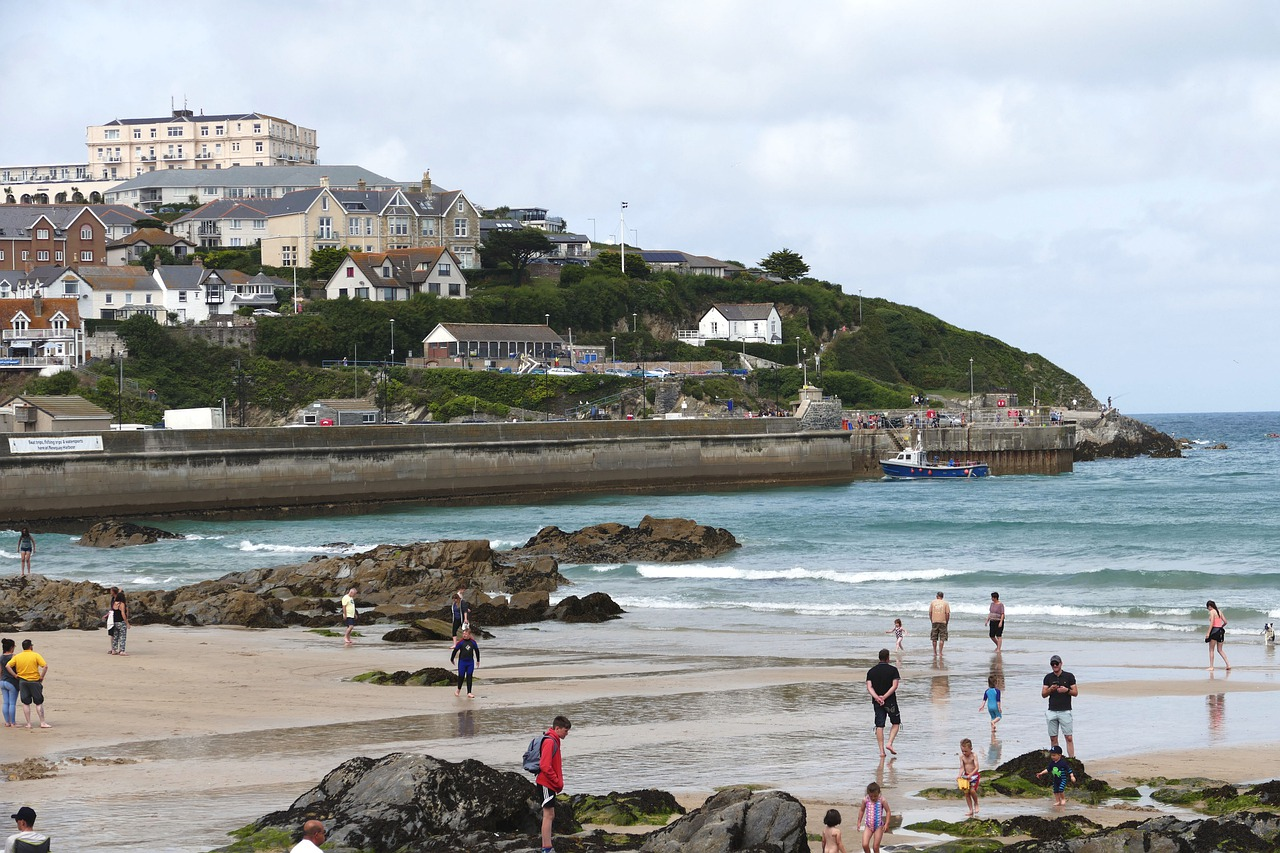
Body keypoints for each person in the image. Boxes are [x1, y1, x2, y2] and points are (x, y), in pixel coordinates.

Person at [535, 715, 572, 853]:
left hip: (549, 783)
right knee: (548, 815)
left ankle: (547, 846)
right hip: (546, 783)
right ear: (557, 728)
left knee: (550, 814)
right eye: (565, 730)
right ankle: (546, 848)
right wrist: (556, 781)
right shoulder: (550, 741)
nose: (567, 733)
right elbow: (545, 765)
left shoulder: (554, 740)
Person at [6, 640, 50, 729]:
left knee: (26, 702)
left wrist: (15, 675)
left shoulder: (18, 656)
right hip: (34, 680)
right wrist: (42, 676)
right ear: (30, 646)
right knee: (38, 702)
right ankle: (42, 722)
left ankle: (28, 724)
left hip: (22, 681)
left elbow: (8, 666)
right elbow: (45, 666)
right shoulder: (35, 655)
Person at [865, 649, 901, 758]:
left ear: (879, 658)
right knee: (896, 723)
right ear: (888, 658)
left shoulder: (871, 671)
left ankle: (881, 751)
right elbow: (894, 686)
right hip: (890, 701)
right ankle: (889, 743)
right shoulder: (893, 670)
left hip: (877, 702)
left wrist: (877, 697)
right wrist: (884, 697)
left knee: (879, 725)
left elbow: (869, 687)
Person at [1042, 654, 1076, 757]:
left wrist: (1066, 690)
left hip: (1065, 710)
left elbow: (1075, 692)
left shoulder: (1069, 676)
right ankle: (1056, 759)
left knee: (1068, 737)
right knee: (1053, 737)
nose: (1055, 665)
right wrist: (1050, 689)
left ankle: (1072, 758)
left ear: (1061, 664)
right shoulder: (1048, 677)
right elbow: (1043, 694)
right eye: (1053, 664)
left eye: (1057, 663)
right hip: (1052, 710)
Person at [856, 781, 891, 853]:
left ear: (879, 793)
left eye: (875, 796)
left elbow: (888, 811)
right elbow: (862, 810)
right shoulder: (866, 800)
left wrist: (887, 824)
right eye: (871, 796)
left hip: (878, 826)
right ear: (868, 794)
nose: (873, 798)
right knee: (865, 844)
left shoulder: (882, 800)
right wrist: (859, 821)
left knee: (875, 847)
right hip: (868, 825)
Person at [450, 626, 480, 698]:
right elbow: (455, 651)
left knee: (469, 676)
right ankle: (458, 690)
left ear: (469, 635)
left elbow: (477, 651)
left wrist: (478, 660)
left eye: (465, 634)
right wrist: (452, 659)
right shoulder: (461, 642)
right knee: (461, 676)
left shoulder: (473, 642)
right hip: (462, 662)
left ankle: (469, 692)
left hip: (470, 662)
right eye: (463, 634)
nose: (464, 635)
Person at [1205, 600, 1231, 672]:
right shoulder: (1219, 611)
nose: (1208, 609)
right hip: (1220, 631)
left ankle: (1211, 666)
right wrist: (1221, 626)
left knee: (1211, 650)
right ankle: (1228, 664)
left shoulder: (1212, 612)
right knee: (1220, 650)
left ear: (1210, 606)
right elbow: (1225, 622)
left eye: (1208, 607)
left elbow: (1212, 623)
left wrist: (1208, 633)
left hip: (1214, 631)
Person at [959, 738, 980, 817]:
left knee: (972, 790)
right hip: (966, 776)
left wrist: (970, 775)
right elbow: (962, 768)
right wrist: (959, 775)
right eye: (962, 751)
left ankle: (976, 803)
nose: (964, 753)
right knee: (966, 793)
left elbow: (977, 767)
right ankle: (970, 810)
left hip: (974, 776)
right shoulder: (961, 757)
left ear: (971, 749)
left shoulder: (973, 755)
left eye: (966, 751)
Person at [0, 639, 16, 728]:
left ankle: (7, 722)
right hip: (11, 682)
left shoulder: (1, 657)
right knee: (12, 703)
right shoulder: (14, 656)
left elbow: (0, 671)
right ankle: (13, 722)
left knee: (5, 702)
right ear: (11, 647)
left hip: (2, 681)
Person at [110, 588, 130, 656]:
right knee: (122, 637)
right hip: (121, 622)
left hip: (115, 622)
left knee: (115, 636)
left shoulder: (114, 604)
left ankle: (114, 650)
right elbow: (123, 614)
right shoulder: (121, 604)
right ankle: (122, 651)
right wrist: (127, 623)